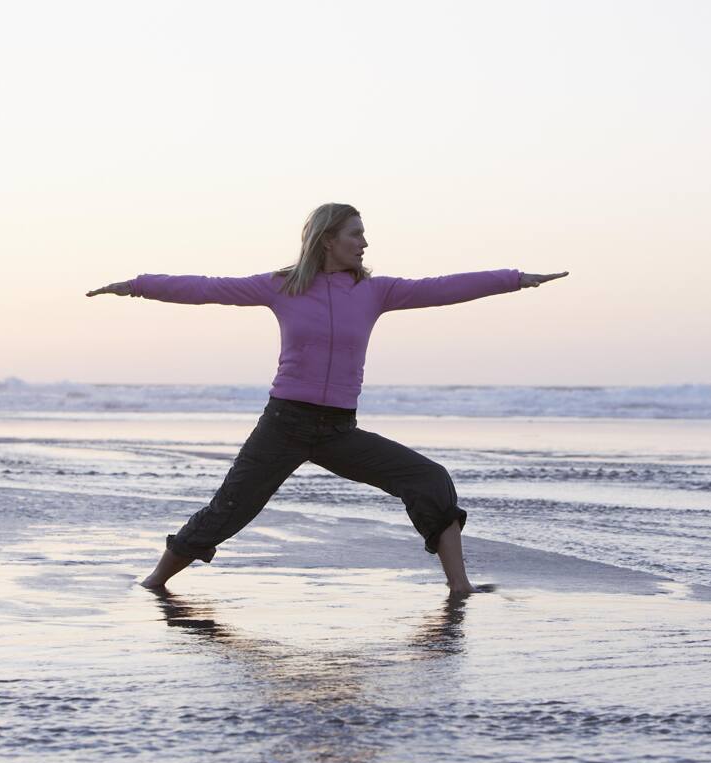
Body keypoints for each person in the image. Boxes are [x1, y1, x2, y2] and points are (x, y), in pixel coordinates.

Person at [87, 203, 568, 596]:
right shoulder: (282, 286)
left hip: (339, 430)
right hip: (285, 424)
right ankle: (154, 582)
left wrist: (515, 278)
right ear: (327, 241)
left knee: (429, 478)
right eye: (356, 234)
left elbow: (444, 289)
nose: (364, 243)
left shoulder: (377, 292)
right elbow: (207, 289)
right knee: (229, 510)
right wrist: (137, 286)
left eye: (364, 234)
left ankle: (459, 585)